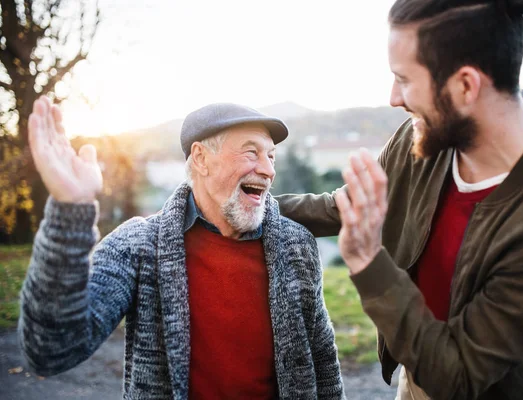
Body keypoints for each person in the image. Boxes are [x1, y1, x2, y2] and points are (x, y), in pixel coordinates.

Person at [276, 0, 523, 399]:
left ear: (465, 85)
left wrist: (367, 261)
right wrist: (256, 209)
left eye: (405, 79)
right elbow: (346, 207)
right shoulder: (424, 138)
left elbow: (458, 376)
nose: (395, 97)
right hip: (416, 371)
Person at [19, 97, 345, 400]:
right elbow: (51, 350)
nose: (268, 169)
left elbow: (323, 362)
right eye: (251, 152)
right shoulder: (139, 246)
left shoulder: (295, 243)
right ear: (201, 159)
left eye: (271, 156)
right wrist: (69, 210)